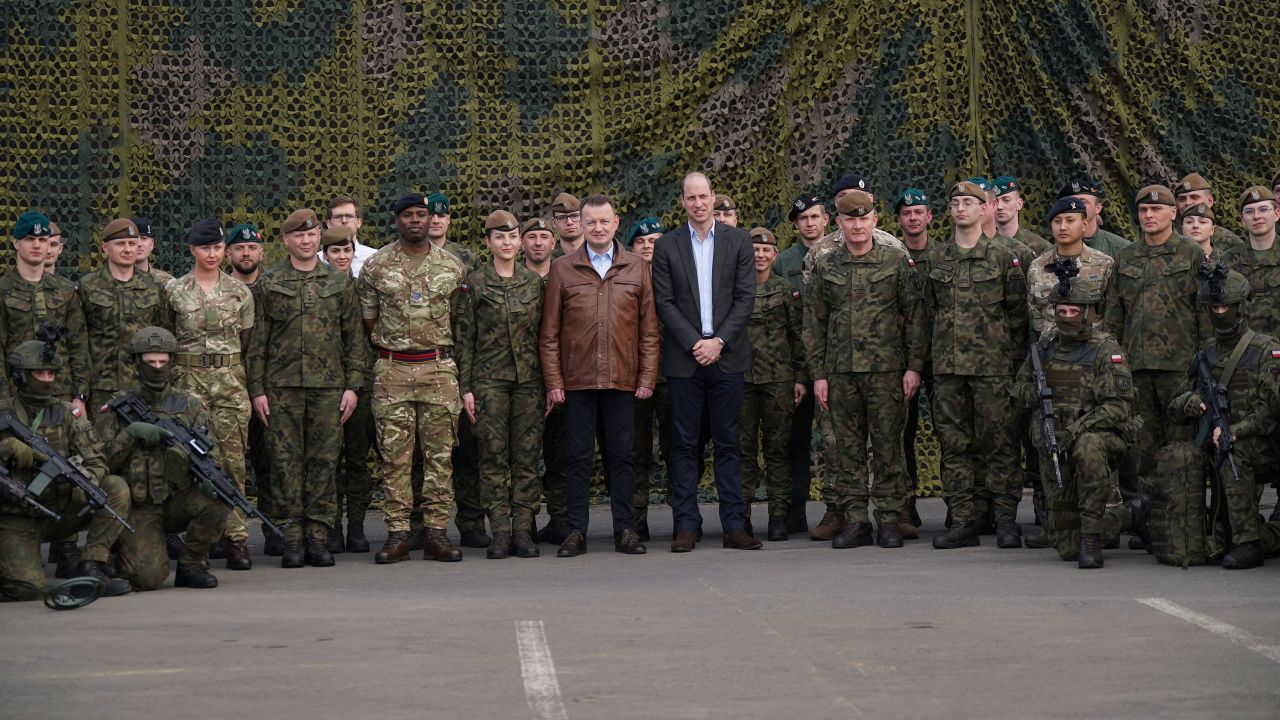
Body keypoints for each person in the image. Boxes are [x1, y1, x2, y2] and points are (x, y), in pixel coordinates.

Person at [247, 208, 366, 568]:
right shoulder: (268, 283)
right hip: (281, 389)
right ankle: (291, 540)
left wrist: (353, 386)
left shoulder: (339, 283)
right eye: (299, 235)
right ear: (286, 241)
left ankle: (317, 537)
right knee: (284, 464)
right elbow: (257, 343)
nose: (306, 240)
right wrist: (257, 390)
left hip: (329, 390)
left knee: (324, 464)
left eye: (312, 235)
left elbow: (354, 340)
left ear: (319, 239)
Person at [540, 194, 658, 557]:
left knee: (622, 458)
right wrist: (555, 382)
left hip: (623, 380)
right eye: (590, 222)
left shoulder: (637, 267)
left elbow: (649, 330)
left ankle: (626, 529)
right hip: (577, 382)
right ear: (582, 224)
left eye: (604, 221)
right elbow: (550, 333)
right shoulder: (562, 268)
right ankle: (576, 532)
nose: (597, 228)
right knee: (577, 458)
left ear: (616, 222)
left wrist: (647, 378)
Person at [805, 192, 925, 549]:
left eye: (864, 218)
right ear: (839, 224)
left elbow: (915, 317)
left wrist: (914, 367)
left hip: (887, 372)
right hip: (841, 374)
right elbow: (814, 324)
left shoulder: (895, 262)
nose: (857, 225)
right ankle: (855, 519)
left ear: (875, 220)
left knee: (889, 447)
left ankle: (889, 518)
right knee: (848, 450)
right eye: (850, 220)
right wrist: (819, 375)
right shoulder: (827, 266)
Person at [651, 173, 759, 552]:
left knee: (729, 443)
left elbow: (746, 298)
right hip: (686, 361)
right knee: (683, 445)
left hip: (728, 359)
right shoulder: (667, 246)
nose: (698, 203)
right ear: (682, 201)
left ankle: (734, 525)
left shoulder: (738, 241)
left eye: (704, 196)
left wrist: (719, 342)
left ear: (714, 198)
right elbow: (664, 302)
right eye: (691, 197)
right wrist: (697, 343)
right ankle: (686, 525)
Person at [357, 193, 466, 564]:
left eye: (423, 214)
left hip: (438, 370)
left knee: (440, 459)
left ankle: (436, 533)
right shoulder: (376, 266)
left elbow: (460, 322)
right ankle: (398, 534)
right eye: (408, 214)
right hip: (393, 371)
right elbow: (368, 320)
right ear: (397, 220)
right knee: (395, 459)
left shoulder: (452, 267)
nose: (416, 219)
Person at [1011, 272, 1145, 568]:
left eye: (1074, 311)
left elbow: (1117, 408)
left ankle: (1092, 538)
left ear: (1087, 313)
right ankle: (1130, 514)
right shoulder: (1046, 348)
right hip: (1053, 440)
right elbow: (1018, 388)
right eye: (1062, 312)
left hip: (1097, 439)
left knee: (1087, 448)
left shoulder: (1105, 350)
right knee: (1067, 548)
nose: (1068, 317)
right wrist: (1035, 392)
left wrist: (1076, 429)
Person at [924, 181, 1028, 549]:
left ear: (984, 209)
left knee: (1000, 444)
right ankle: (963, 520)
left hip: (993, 370)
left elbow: (1018, 318)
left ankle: (1004, 520)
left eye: (969, 202)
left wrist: (1012, 367)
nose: (962, 208)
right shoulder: (937, 258)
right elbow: (930, 312)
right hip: (949, 371)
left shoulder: (1004, 257)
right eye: (956, 203)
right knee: (954, 446)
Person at [96, 327, 229, 589]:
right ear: (136, 363)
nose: (157, 367)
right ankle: (115, 552)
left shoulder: (189, 406)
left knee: (219, 498)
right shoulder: (117, 406)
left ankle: (192, 564)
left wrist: (210, 477)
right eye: (149, 362)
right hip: (138, 507)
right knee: (147, 578)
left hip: (176, 500)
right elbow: (99, 463)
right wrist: (130, 435)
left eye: (162, 361)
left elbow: (212, 453)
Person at [1167, 263, 1280, 569]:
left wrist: (1235, 431)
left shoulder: (1266, 351)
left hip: (1261, 443)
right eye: (1214, 307)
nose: (1219, 313)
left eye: (1225, 307)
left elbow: (1270, 414)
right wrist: (1191, 403)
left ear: (1240, 307)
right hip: (1218, 441)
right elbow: (1176, 401)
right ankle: (1189, 535)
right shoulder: (1207, 352)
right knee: (1179, 456)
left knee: (1235, 449)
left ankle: (1249, 543)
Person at [0, 339, 132, 599]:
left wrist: (86, 481)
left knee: (115, 488)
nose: (47, 380)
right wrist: (6, 448)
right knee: (25, 589)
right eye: (39, 373)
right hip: (15, 518)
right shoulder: (4, 412)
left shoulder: (66, 414)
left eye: (51, 373)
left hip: (58, 512)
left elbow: (97, 461)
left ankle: (92, 565)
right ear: (20, 376)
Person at [2, 210, 92, 578]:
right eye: (31, 240)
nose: (38, 245)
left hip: (59, 395)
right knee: (17, 465)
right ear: (16, 244)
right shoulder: (3, 289)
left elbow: (78, 345)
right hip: (15, 399)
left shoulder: (65, 290)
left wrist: (78, 396)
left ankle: (66, 546)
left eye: (43, 240)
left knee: (63, 465)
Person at [165, 219, 255, 570]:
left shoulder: (239, 292)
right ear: (193, 250)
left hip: (230, 382)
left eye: (218, 247)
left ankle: (236, 539)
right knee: (190, 461)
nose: (213, 254)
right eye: (206, 248)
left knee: (233, 461)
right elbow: (166, 336)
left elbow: (246, 341)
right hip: (187, 382)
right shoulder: (175, 290)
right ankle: (199, 541)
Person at [1104, 185, 1204, 498]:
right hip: (1137, 369)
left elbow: (1205, 315)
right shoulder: (1126, 257)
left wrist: (1205, 366)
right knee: (1143, 450)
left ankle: (1183, 520)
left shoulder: (1192, 254)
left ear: (1173, 213)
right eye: (1144, 210)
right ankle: (1149, 520)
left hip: (1180, 370)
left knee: (1181, 449)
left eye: (1157, 209)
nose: (1149, 215)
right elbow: (1113, 317)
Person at [456, 211, 545, 558]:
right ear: (488, 242)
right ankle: (501, 532)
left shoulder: (532, 283)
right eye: (500, 238)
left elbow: (544, 336)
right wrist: (466, 387)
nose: (507, 243)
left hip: (528, 382)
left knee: (525, 458)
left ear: (519, 241)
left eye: (512, 237)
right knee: (492, 458)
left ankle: (523, 529)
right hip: (489, 381)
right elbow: (465, 339)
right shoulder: (475, 284)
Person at [739, 227, 805, 540]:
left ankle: (778, 515)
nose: (760, 255)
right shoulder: (735, 290)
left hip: (779, 380)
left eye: (766, 251)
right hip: (743, 380)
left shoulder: (784, 291)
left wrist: (799, 377)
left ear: (775, 255)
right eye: (754, 250)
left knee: (779, 451)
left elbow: (797, 335)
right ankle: (741, 515)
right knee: (743, 450)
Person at [320, 225, 378, 552]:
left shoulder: (364, 288)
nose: (342, 257)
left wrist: (357, 382)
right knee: (329, 460)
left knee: (357, 458)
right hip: (326, 385)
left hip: (362, 383)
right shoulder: (320, 289)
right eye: (335, 251)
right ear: (325, 255)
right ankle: (330, 527)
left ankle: (356, 526)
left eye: (346, 251)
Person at [775, 191, 828, 536]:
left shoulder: (840, 253)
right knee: (796, 442)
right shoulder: (783, 262)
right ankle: (795, 512)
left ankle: (843, 511)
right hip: (798, 367)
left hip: (835, 364)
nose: (809, 224)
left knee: (842, 443)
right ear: (795, 225)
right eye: (802, 219)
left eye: (815, 217)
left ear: (826, 220)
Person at [77, 218, 171, 409]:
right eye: (120, 244)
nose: (128, 249)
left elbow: (165, 335)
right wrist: (80, 392)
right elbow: (78, 341)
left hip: (145, 385)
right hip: (101, 387)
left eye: (132, 243)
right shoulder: (88, 286)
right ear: (105, 247)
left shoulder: (153, 286)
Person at [522, 217, 569, 543]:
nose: (538, 242)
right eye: (532, 237)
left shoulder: (567, 276)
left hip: (561, 378)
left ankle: (561, 519)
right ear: (522, 243)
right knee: (522, 455)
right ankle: (522, 522)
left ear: (554, 244)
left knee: (561, 453)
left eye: (544, 237)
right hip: (521, 379)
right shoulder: (510, 278)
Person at [625, 217, 666, 540]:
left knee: (679, 447)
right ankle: (636, 519)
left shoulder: (677, 279)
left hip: (672, 377)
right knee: (635, 449)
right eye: (642, 242)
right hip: (633, 377)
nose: (648, 246)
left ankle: (683, 515)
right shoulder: (624, 281)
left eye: (655, 240)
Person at [895, 187, 933, 537]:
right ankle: (905, 508)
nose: (913, 218)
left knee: (953, 435)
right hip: (899, 358)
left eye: (918, 212)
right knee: (900, 434)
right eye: (907, 213)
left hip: (943, 358)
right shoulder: (889, 256)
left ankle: (964, 510)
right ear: (898, 220)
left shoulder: (943, 255)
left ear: (929, 217)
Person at [1026, 197, 1115, 338]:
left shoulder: (1104, 264)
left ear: (1084, 224)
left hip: (1092, 351)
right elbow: (1034, 313)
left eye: (1070, 220)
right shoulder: (1038, 266)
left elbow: (1110, 315)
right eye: (1057, 221)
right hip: (1051, 350)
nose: (1062, 227)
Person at [1221, 187, 1280, 336]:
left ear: (1277, 214)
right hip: (1243, 352)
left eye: (1263, 209)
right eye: (1249, 211)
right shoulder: (1227, 261)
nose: (1256, 216)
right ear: (1242, 220)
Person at [1174, 172, 1243, 256]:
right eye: (1182, 199)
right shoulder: (1168, 236)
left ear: (1210, 201)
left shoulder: (1228, 240)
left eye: (1194, 197)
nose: (1188, 203)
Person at [1057, 181, 1130, 259]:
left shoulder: (1122, 249)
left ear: (1097, 208)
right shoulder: (1050, 255)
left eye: (1082, 202)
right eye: (1070, 202)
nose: (1075, 206)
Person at [992, 176, 1050, 255]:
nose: (999, 207)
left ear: (1019, 204)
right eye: (995, 202)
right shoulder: (981, 243)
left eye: (1006, 200)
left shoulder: (1039, 247)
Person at [325, 194, 378, 276]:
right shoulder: (317, 260)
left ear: (359, 222)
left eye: (349, 216)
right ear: (329, 224)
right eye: (338, 217)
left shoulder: (375, 258)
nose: (344, 221)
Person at [132, 216, 175, 286]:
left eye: (144, 238)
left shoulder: (167, 282)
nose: (139, 244)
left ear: (152, 244)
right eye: (134, 239)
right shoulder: (111, 281)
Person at [549, 192, 584, 258]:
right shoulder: (547, 256)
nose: (569, 222)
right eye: (562, 218)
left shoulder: (598, 250)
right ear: (554, 223)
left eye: (575, 216)